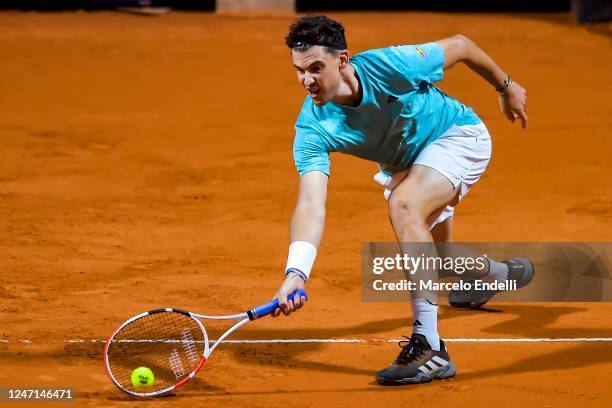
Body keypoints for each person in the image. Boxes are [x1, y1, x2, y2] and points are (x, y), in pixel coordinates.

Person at [270, 15, 533, 385]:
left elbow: (460, 45)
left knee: (404, 205)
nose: (307, 81)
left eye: (316, 68)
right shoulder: (312, 127)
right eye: (299, 71)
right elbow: (311, 203)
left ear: (342, 60)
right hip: (410, 164)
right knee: (432, 256)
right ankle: (495, 275)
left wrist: (505, 86)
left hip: (456, 136)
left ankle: (429, 347)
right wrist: (296, 272)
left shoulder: (391, 65)